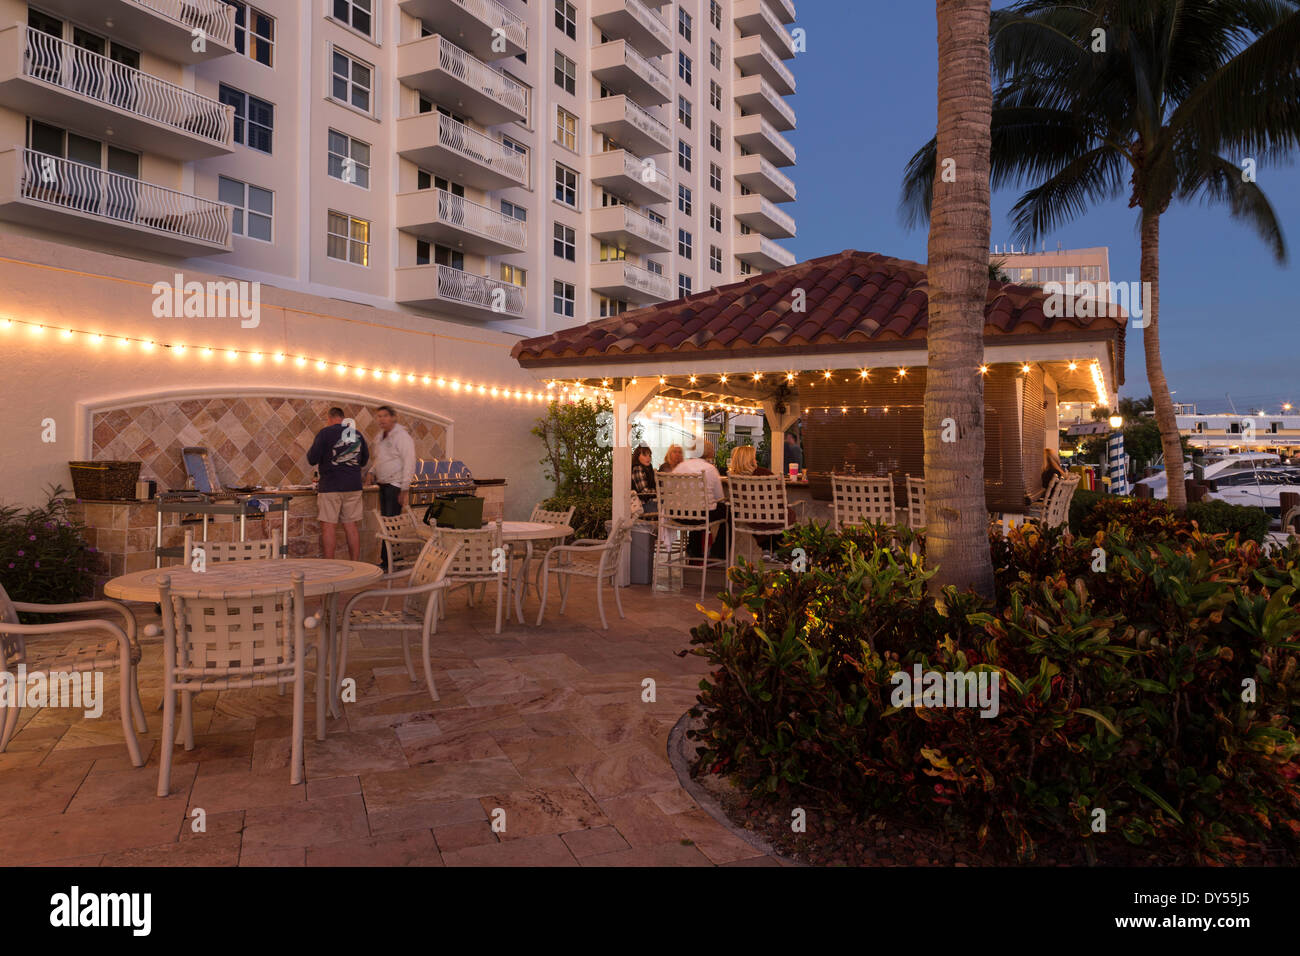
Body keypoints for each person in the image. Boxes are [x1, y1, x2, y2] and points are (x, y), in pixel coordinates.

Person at [307, 406, 369, 560]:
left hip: (331, 487)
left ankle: (330, 567)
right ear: (343, 418)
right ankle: (356, 564)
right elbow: (364, 460)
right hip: (353, 487)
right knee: (351, 526)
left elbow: (311, 459)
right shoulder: (357, 434)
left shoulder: (325, 433)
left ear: (329, 418)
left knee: (329, 526)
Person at [369, 405, 417, 569]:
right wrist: (371, 471)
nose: (381, 419)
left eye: (384, 416)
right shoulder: (380, 437)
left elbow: (409, 462)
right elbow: (380, 459)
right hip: (383, 484)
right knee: (387, 524)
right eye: (379, 416)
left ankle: (390, 562)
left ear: (393, 417)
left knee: (391, 524)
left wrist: (404, 488)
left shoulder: (402, 437)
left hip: (395, 485)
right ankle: (390, 560)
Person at [674, 440, 726, 557]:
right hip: (701, 516)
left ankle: (695, 549)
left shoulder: (680, 467)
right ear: (708, 452)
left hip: (678, 515)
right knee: (727, 511)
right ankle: (718, 552)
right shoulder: (710, 469)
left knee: (696, 509)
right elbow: (720, 498)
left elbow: (670, 491)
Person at [631, 444, 658, 514]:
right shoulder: (638, 468)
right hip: (643, 505)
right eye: (645, 455)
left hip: (651, 502)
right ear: (637, 456)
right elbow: (644, 492)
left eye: (649, 455)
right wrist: (660, 492)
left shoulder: (648, 469)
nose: (648, 458)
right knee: (670, 509)